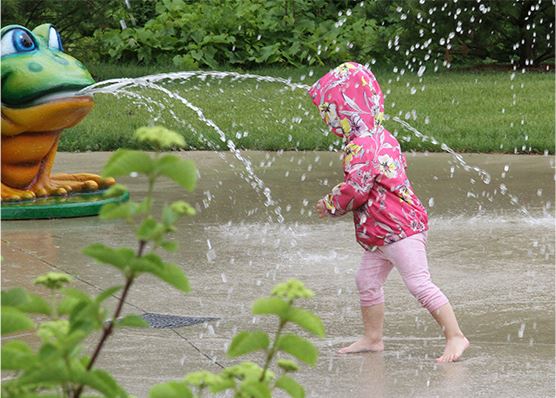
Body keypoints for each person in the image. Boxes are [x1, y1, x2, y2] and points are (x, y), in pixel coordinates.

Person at [310, 62, 469, 363]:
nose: (327, 119)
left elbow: (356, 189)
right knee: (366, 281)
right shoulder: (382, 135)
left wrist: (330, 204)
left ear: (345, 111)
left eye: (330, 111)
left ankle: (455, 336)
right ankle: (373, 338)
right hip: (384, 232)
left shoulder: (360, 147)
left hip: (400, 231)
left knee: (419, 284)